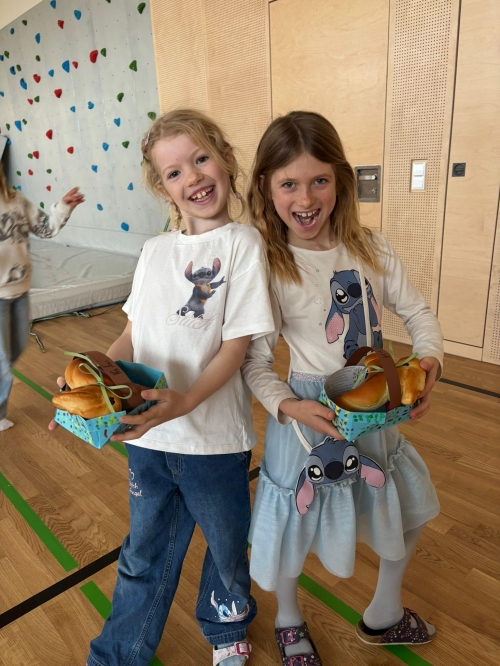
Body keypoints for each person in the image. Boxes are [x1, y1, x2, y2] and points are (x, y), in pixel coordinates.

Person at [61, 109, 274, 666]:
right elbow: (131, 335)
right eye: (175, 172)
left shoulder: (243, 243)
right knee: (142, 555)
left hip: (214, 443)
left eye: (202, 159)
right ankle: (118, 654)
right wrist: (92, 372)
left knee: (227, 550)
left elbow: (236, 347)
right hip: (147, 439)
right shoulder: (154, 252)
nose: (193, 177)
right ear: (162, 187)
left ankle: (227, 629)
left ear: (226, 160)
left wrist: (186, 402)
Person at [242, 111, 443, 665]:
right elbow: (256, 362)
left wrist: (429, 362)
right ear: (266, 187)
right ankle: (288, 619)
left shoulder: (370, 247)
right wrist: (288, 405)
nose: (306, 198)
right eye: (289, 184)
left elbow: (418, 312)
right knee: (293, 524)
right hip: (307, 417)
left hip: (375, 406)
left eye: (319, 181)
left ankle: (383, 612)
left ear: (341, 181)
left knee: (408, 507)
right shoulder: (268, 264)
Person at [0, 161, 83, 432]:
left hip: (20, 291)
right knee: (2, 362)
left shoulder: (15, 200)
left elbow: (45, 228)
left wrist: (63, 207)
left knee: (16, 349)